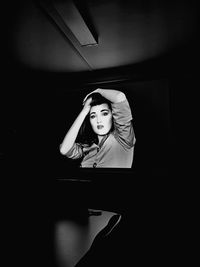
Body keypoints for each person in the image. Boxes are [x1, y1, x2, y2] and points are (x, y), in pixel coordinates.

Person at [59, 88, 136, 168]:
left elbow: (119, 97)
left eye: (104, 114)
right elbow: (64, 149)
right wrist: (84, 111)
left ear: (113, 116)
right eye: (93, 116)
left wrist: (98, 91)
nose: (98, 121)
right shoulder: (88, 148)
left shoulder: (124, 139)